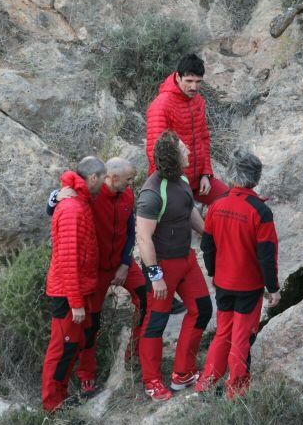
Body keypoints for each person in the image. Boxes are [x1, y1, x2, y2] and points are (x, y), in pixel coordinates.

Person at [47, 158, 147, 396]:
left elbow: (130, 229)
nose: (132, 183)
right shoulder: (92, 193)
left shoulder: (128, 195)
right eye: (129, 179)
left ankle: (134, 354)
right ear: (111, 178)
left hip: (121, 264)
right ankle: (86, 374)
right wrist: (54, 196)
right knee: (90, 324)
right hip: (95, 271)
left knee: (147, 298)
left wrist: (125, 262)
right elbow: (59, 203)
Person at [195, 149, 281, 400]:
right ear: (256, 177)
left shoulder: (216, 206)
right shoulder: (260, 212)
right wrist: (273, 288)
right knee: (241, 336)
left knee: (223, 332)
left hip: (223, 282)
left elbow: (207, 247)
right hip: (248, 286)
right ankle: (237, 389)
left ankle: (207, 382)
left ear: (231, 175)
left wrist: (213, 273)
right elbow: (267, 255)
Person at [136, 130, 213, 401]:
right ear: (173, 156)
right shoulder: (152, 193)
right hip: (162, 267)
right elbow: (143, 237)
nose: (189, 152)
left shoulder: (180, 179)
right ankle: (152, 381)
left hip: (186, 260)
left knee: (202, 309)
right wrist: (155, 275)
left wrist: (208, 233)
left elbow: (188, 210)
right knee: (156, 322)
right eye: (184, 149)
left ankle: (183, 373)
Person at [41, 157, 104, 412]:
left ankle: (61, 398)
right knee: (62, 349)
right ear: (92, 179)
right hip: (68, 294)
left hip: (75, 290)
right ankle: (52, 407)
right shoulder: (73, 209)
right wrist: (76, 303)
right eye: (102, 179)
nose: (104, 184)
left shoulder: (79, 201)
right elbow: (68, 260)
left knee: (71, 346)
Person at [145, 53, 229, 205]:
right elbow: (155, 153)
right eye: (189, 81)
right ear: (178, 77)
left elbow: (204, 139)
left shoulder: (198, 101)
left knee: (229, 200)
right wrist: (177, 185)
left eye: (198, 81)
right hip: (172, 182)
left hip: (198, 179)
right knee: (184, 221)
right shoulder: (161, 105)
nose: (194, 87)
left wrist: (206, 174)